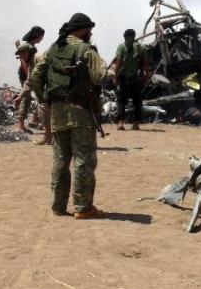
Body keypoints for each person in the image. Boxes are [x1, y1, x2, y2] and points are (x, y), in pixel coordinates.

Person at [31, 13, 106, 219]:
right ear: (82, 29)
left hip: (57, 111)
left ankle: (58, 206)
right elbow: (101, 76)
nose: (91, 33)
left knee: (60, 160)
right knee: (84, 159)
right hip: (80, 112)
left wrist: (44, 99)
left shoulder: (54, 48)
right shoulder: (85, 49)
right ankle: (83, 208)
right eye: (89, 29)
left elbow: (36, 75)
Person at [14, 26, 52, 144]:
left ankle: (48, 135)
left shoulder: (38, 58)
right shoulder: (31, 56)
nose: (21, 57)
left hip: (46, 84)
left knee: (44, 107)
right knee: (41, 106)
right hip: (36, 82)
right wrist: (20, 96)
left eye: (22, 54)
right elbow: (29, 79)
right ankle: (47, 135)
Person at [112, 28, 149, 130]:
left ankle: (120, 123)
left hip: (124, 78)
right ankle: (136, 123)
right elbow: (146, 64)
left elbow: (118, 63)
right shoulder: (141, 47)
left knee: (122, 101)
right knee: (137, 101)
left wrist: (115, 77)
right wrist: (147, 76)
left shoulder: (121, 47)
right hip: (135, 78)